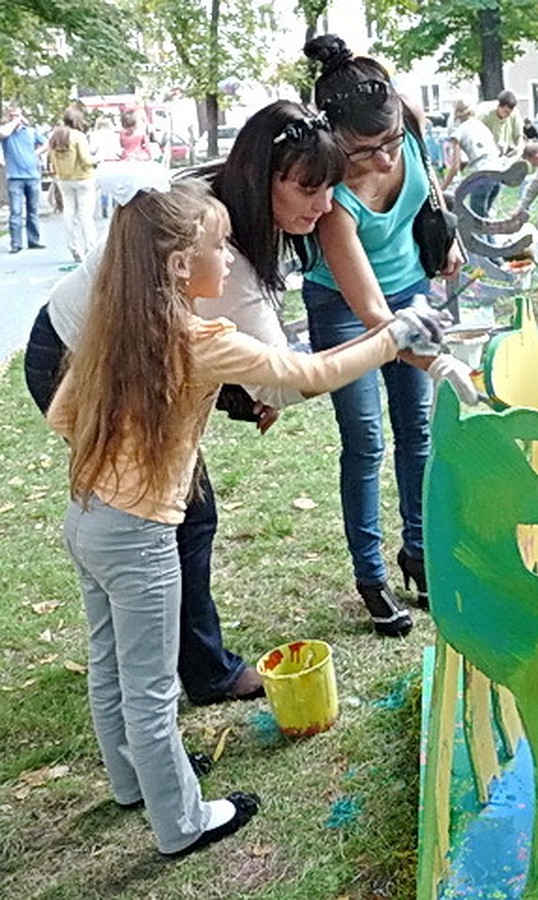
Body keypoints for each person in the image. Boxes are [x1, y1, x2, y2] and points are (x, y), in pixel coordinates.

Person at [47, 178, 446, 856]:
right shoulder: (199, 340)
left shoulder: (119, 329)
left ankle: (131, 783)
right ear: (180, 263)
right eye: (219, 245)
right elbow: (311, 374)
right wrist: (395, 335)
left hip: (87, 516)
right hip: (139, 534)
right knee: (149, 689)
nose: (230, 259)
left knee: (110, 664)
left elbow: (63, 417)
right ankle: (181, 824)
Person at [25, 100, 348, 701]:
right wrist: (372, 346)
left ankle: (154, 664)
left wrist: (251, 383)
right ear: (263, 176)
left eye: (330, 188)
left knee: (174, 513)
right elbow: (281, 377)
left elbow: (222, 350)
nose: (324, 206)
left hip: (108, 362)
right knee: (166, 516)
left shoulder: (213, 203)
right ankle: (179, 674)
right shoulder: (209, 235)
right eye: (309, 188)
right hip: (73, 363)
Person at [302, 34, 477, 627]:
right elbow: (378, 321)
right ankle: (371, 577)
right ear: (333, 144)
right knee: (366, 441)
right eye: (365, 151)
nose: (383, 160)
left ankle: (421, 555)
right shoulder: (329, 197)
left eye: (392, 143)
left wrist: (443, 233)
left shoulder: (408, 124)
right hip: (346, 307)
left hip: (410, 290)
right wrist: (439, 360)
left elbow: (429, 185)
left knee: (418, 434)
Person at [47, 108, 98, 263]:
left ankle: (74, 249)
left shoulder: (55, 136)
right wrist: (98, 158)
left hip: (63, 179)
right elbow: (86, 160)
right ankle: (90, 248)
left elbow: (51, 159)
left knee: (68, 213)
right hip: (83, 179)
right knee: (85, 215)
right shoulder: (78, 136)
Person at [442, 98, 503, 216]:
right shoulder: (481, 126)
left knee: (477, 224)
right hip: (498, 173)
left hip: (482, 175)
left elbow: (455, 166)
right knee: (486, 221)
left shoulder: (458, 132)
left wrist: (442, 188)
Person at [1, 104, 46, 253]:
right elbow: (3, 132)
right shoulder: (6, 133)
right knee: (16, 212)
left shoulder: (31, 131)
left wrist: (36, 153)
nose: (16, 118)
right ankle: (16, 243)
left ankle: (34, 240)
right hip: (14, 177)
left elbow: (46, 143)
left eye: (18, 115)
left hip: (32, 176)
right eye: (12, 115)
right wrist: (13, 123)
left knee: (33, 210)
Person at [481, 90, 522, 158]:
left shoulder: (514, 114)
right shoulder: (486, 115)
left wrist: (518, 147)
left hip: (507, 154)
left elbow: (518, 136)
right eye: (505, 112)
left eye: (509, 113)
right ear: (499, 106)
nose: (508, 115)